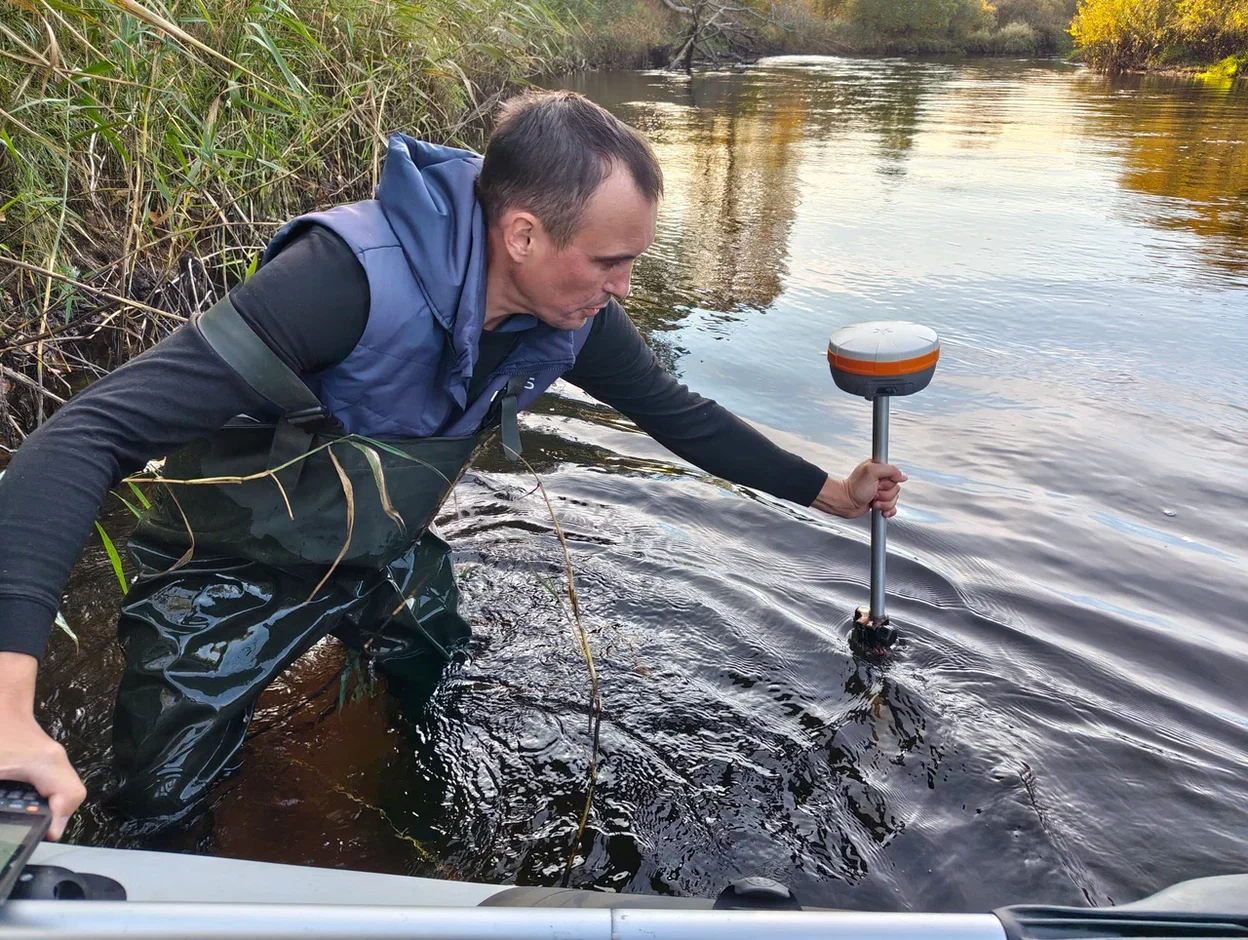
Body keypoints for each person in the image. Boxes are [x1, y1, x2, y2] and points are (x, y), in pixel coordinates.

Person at [0, 90, 907, 837]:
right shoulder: (340, 281)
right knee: (156, 805)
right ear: (523, 236)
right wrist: (8, 706)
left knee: (435, 678)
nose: (623, 287)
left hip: (382, 550)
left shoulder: (577, 315)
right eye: (609, 262)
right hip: (231, 561)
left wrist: (829, 492)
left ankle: (398, 822)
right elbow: (87, 436)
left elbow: (676, 414)